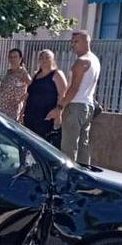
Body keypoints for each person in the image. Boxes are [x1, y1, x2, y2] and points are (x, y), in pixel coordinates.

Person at [48, 30, 100, 164]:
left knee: (68, 147)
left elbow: (74, 88)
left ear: (86, 42)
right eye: (71, 42)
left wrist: (60, 107)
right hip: (88, 106)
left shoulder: (81, 61)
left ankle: (68, 174)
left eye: (76, 42)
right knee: (83, 145)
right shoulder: (95, 60)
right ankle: (84, 173)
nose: (72, 45)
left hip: (75, 106)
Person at [24, 49, 67, 143]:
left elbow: (62, 94)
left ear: (53, 59)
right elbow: (29, 93)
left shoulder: (57, 74)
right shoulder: (36, 75)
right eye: (41, 57)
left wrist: (58, 113)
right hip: (30, 114)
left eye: (47, 57)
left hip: (47, 115)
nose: (44, 60)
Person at [0, 48, 32, 121]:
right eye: (11, 57)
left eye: (15, 57)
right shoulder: (8, 72)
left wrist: (22, 98)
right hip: (1, 105)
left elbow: (32, 87)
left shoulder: (23, 73)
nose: (13, 59)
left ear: (20, 58)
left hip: (13, 108)